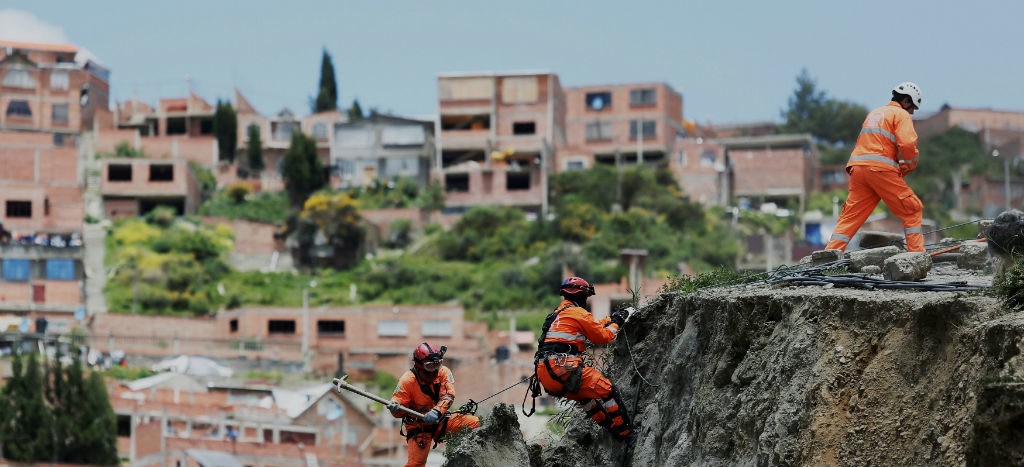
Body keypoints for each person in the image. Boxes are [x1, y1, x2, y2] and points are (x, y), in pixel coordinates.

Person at [533, 276, 637, 442]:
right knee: (607, 390)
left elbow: (593, 325)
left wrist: (612, 318)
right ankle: (626, 434)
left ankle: (611, 428)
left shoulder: (557, 314)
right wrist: (618, 321)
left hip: (546, 375)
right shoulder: (579, 313)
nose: (587, 301)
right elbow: (604, 336)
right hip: (563, 369)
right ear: (580, 296)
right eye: (586, 297)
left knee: (585, 397)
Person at [826, 81, 926, 253]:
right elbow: (908, 144)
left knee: (850, 217)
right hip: (879, 169)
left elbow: (874, 144)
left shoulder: (875, 113)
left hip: (858, 170)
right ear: (907, 101)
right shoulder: (900, 114)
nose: (912, 112)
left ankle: (828, 255)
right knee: (912, 208)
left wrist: (895, 164)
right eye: (912, 108)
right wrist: (910, 164)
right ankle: (917, 255)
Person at [387, 342, 480, 467]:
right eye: (430, 366)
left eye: (437, 365)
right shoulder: (407, 381)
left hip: (441, 420)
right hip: (418, 426)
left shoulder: (443, 372)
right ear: (419, 366)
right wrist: (395, 409)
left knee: (474, 423)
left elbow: (448, 395)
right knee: (416, 464)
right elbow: (399, 408)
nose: (434, 371)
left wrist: (436, 412)